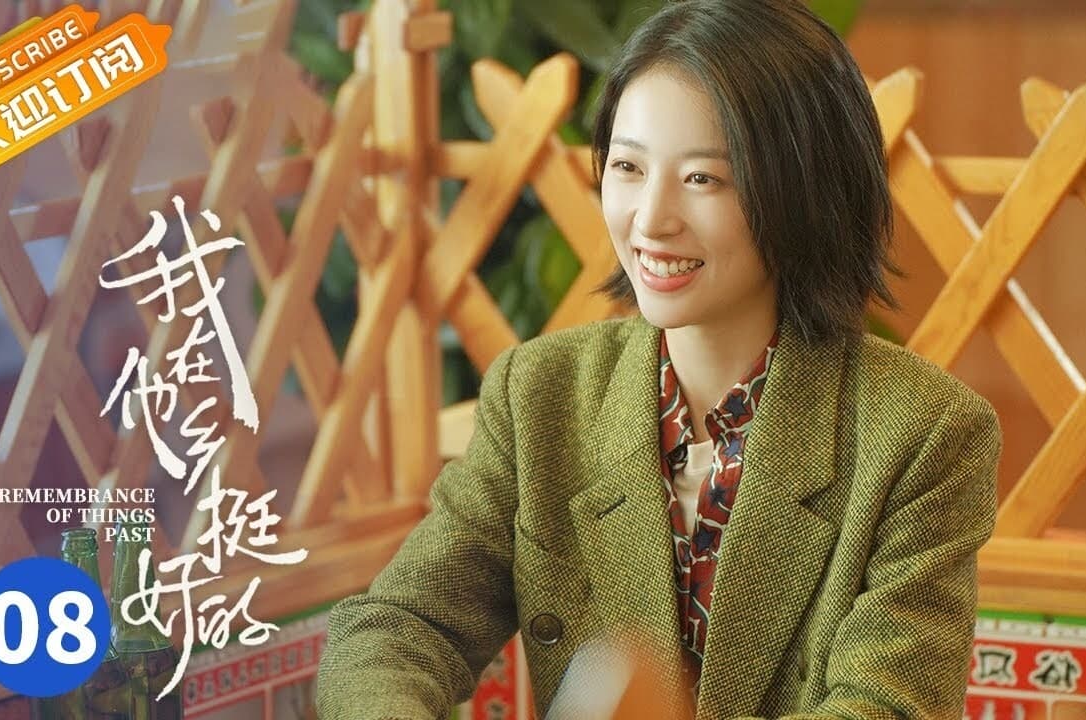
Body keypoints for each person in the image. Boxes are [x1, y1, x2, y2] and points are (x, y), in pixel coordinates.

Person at [315, 0, 1001, 718]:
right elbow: (397, 629)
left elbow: (885, 707)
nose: (650, 219)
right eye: (628, 167)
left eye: (703, 179)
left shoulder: (923, 432)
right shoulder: (541, 394)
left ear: (805, 191)